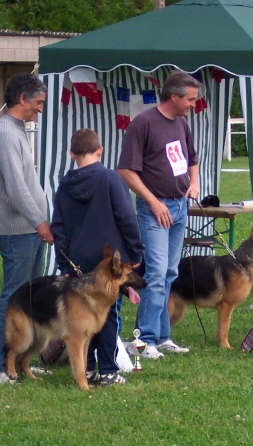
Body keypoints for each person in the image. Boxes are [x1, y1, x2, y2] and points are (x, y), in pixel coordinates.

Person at [51, 129, 145, 385]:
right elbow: (127, 218)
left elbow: (58, 227)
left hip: (78, 262)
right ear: (100, 151)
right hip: (109, 263)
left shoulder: (64, 187)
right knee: (108, 315)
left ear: (72, 154)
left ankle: (88, 368)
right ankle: (108, 370)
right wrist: (135, 253)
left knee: (83, 318)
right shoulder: (110, 179)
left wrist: (64, 264)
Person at [117, 71, 200, 360]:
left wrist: (194, 182)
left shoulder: (182, 123)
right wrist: (153, 201)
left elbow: (192, 159)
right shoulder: (143, 124)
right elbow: (126, 170)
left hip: (179, 206)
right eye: (190, 99)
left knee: (169, 272)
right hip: (156, 210)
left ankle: (162, 336)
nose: (193, 104)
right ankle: (144, 339)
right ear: (174, 97)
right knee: (155, 273)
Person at [0, 73, 53, 384]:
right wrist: (40, 221)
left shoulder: (19, 130)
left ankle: (20, 363)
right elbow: (15, 188)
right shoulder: (6, 135)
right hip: (18, 231)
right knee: (13, 298)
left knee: (30, 299)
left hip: (30, 230)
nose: (40, 109)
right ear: (22, 99)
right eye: (38, 103)